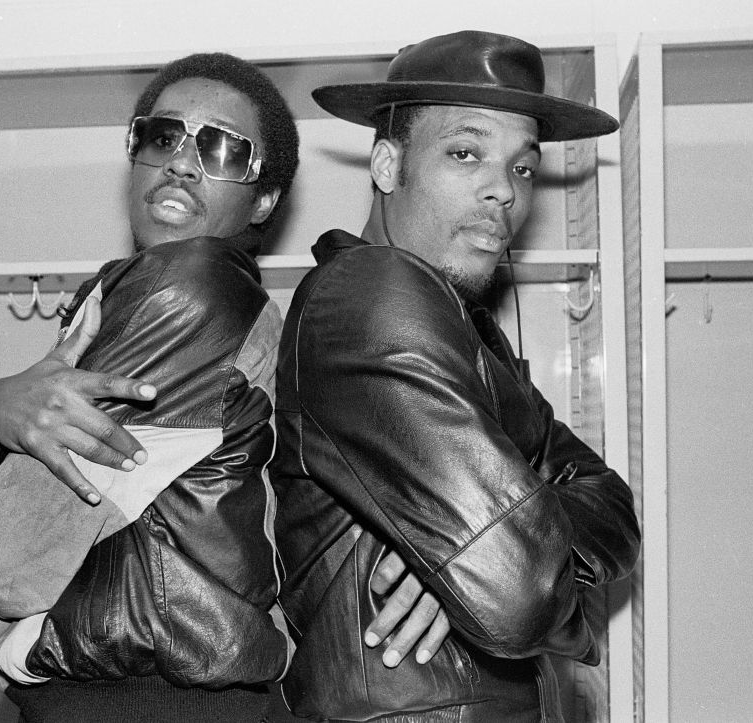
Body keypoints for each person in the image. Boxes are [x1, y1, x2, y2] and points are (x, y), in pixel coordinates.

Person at [0, 52, 444, 723]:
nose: (182, 161)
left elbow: (4, 559)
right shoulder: (137, 297)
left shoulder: (192, 290)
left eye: (223, 149)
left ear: (262, 198)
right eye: (163, 135)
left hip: (150, 703)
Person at [270, 31, 641, 722]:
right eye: (464, 152)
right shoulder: (370, 292)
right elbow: (519, 589)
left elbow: (614, 503)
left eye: (522, 167)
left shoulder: (470, 332)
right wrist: (486, 557)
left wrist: (465, 554)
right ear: (388, 164)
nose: (502, 189)